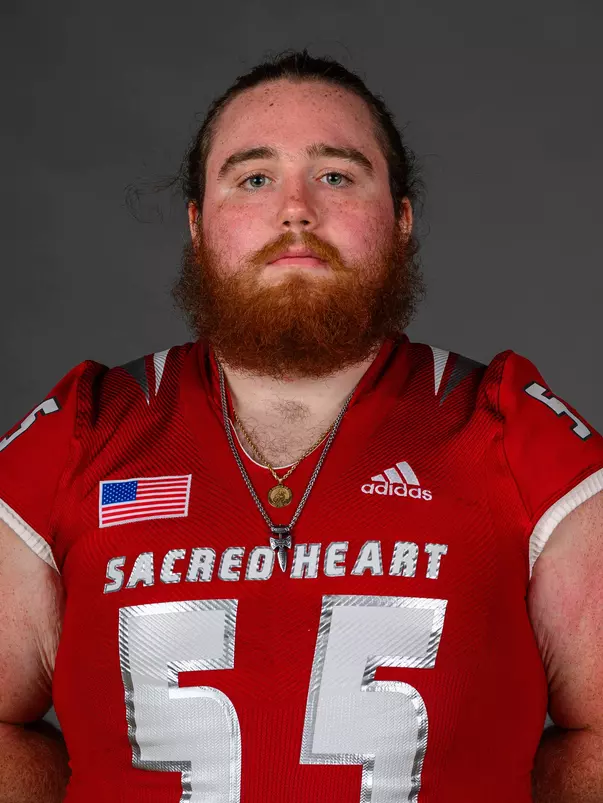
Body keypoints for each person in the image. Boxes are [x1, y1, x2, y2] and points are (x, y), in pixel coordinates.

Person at [0, 49, 602, 803]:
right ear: (197, 223)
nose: (295, 210)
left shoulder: (515, 429)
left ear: (401, 219)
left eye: (336, 176)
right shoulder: (81, 430)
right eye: (253, 177)